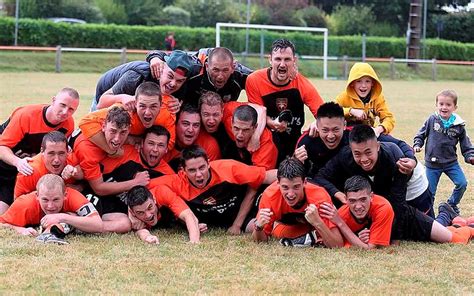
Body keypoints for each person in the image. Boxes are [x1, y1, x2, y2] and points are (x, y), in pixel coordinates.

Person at [314, 125, 471, 244]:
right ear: (351, 150)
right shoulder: (346, 156)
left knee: (441, 233)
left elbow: (397, 203)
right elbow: (320, 177)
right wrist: (337, 193)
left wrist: (391, 238)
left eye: (368, 152)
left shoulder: (394, 159)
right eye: (357, 153)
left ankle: (450, 216)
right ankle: (448, 215)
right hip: (385, 195)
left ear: (378, 146)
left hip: (413, 187)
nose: (363, 159)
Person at [295, 103, 432, 217]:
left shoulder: (357, 135)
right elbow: (301, 176)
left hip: (391, 182)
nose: (330, 136)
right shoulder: (307, 142)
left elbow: (399, 144)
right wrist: (298, 162)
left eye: (335, 129)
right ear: (317, 127)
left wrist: (411, 160)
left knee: (416, 220)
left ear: (344, 125)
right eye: (325, 130)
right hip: (337, 188)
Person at [148, 145, 277, 235]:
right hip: (215, 222)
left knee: (264, 228)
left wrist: (237, 224)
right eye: (192, 170)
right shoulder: (177, 182)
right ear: (183, 171)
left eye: (202, 167)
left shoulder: (228, 168)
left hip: (243, 215)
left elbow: (268, 176)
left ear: (209, 163)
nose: (199, 174)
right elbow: (142, 189)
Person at [0, 87, 79, 214]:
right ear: (53, 101)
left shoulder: (68, 124)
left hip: (22, 171)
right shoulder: (26, 115)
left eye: (71, 109)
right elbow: (2, 147)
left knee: (10, 211)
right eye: (62, 105)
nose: (65, 112)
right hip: (7, 162)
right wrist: (18, 162)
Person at [246, 39, 324, 163]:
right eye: (278, 59)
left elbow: (323, 112)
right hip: (266, 140)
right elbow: (256, 114)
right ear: (270, 60)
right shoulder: (254, 80)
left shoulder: (301, 83)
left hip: (294, 140)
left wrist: (318, 122)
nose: (282, 64)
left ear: (294, 61)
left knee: (320, 136)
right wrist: (272, 123)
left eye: (287, 59)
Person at [73, 106, 147, 234]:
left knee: (124, 223)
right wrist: (134, 183)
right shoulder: (88, 150)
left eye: (123, 132)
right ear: (103, 126)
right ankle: (75, 224)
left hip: (90, 181)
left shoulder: (120, 112)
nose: (117, 138)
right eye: (113, 131)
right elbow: (99, 188)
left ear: (129, 130)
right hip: (68, 183)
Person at [252, 158, 343, 248]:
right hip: (284, 226)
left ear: (305, 182)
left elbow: (337, 245)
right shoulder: (269, 196)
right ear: (278, 183)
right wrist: (258, 227)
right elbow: (260, 243)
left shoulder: (319, 197)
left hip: (313, 225)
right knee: (280, 232)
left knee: (320, 233)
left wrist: (318, 222)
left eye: (296, 187)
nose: (291, 194)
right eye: (285, 187)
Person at [413, 89, 473, 215]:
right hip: (432, 165)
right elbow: (421, 134)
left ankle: (452, 204)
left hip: (451, 163)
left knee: (462, 183)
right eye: (441, 104)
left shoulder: (458, 125)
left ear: (454, 107)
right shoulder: (432, 120)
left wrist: (470, 156)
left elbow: (465, 144)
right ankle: (429, 217)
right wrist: (417, 144)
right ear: (436, 105)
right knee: (430, 192)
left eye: (448, 104)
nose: (444, 107)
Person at [0, 174, 103, 244]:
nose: (50, 206)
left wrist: (63, 217)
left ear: (65, 195)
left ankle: (51, 233)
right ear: (37, 196)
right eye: (45, 200)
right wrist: (21, 230)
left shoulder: (74, 196)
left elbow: (98, 225)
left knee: (73, 216)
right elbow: (1, 224)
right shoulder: (24, 204)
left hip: (67, 220)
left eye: (56, 199)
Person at [79, 81, 176, 155]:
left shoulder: (167, 113)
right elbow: (85, 122)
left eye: (153, 107)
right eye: (142, 106)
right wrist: (112, 151)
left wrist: (141, 141)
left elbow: (170, 143)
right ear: (135, 104)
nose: (147, 112)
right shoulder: (124, 111)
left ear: (161, 105)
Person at [91, 50, 197, 113]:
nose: (173, 83)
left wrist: (179, 104)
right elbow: (101, 103)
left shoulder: (182, 87)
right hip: (106, 93)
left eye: (179, 81)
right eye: (170, 76)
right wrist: (123, 97)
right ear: (162, 67)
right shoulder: (136, 77)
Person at [147, 47, 252, 106]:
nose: (220, 76)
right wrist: (155, 58)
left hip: (221, 115)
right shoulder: (194, 68)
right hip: (191, 114)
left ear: (233, 67)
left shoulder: (241, 74)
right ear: (207, 66)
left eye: (225, 70)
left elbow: (263, 79)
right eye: (215, 70)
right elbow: (172, 58)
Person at [319, 176, 394, 249]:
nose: (358, 206)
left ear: (371, 197)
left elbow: (370, 249)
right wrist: (358, 239)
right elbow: (335, 245)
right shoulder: (340, 215)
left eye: (363, 199)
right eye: (352, 201)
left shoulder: (383, 207)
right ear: (346, 199)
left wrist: (340, 223)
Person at [14, 131, 83, 198]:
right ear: (42, 151)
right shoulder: (29, 171)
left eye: (61, 153)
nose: (56, 160)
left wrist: (79, 184)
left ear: (68, 151)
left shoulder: (74, 161)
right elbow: (18, 203)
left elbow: (90, 177)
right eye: (51, 153)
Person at [125, 185, 201, 244]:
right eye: (141, 213)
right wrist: (148, 237)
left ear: (154, 199)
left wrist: (194, 240)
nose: (148, 215)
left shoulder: (162, 193)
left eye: (150, 207)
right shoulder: (133, 216)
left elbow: (188, 214)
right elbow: (140, 231)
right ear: (132, 213)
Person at [335, 62, 395, 136]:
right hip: (349, 136)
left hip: (370, 134)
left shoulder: (378, 98)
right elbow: (330, 111)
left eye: (367, 81)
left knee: (396, 144)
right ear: (352, 83)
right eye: (359, 81)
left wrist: (378, 129)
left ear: (372, 83)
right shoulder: (344, 97)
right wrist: (351, 111)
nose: (363, 85)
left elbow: (389, 118)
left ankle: (413, 147)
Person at [163, 104, 221, 172]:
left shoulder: (208, 145)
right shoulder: (163, 140)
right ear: (175, 124)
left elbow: (212, 177)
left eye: (196, 125)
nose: (190, 130)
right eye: (185, 124)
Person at [223, 104, 278, 170]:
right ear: (231, 123)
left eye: (246, 130)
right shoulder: (227, 112)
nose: (240, 134)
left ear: (255, 127)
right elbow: (261, 109)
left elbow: (261, 177)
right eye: (236, 128)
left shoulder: (266, 144)